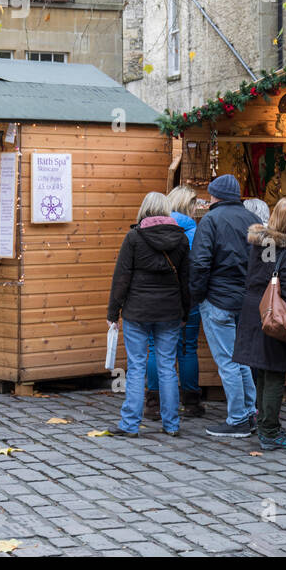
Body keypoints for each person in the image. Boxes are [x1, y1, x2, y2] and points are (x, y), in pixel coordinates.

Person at [107, 191, 191, 436]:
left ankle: (130, 424)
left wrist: (113, 311)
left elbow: (121, 278)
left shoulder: (134, 237)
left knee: (136, 367)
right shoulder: (182, 240)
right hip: (170, 311)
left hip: (137, 311)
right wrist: (185, 310)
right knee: (167, 366)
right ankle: (172, 424)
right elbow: (186, 280)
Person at [234, 198, 286, 449]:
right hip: (274, 316)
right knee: (275, 373)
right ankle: (269, 430)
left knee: (263, 371)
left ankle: (264, 421)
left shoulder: (258, 244)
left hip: (254, 311)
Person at [191, 174, 262, 437]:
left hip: (218, 299)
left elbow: (199, 263)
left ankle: (237, 419)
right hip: (246, 300)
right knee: (243, 360)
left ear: (215, 196)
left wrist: (197, 296)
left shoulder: (211, 220)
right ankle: (250, 413)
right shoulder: (253, 219)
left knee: (228, 362)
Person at [146, 186, 205, 419]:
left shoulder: (150, 227)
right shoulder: (194, 231)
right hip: (188, 298)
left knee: (154, 348)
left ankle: (154, 403)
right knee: (187, 348)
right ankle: (191, 402)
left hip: (155, 297)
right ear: (188, 206)